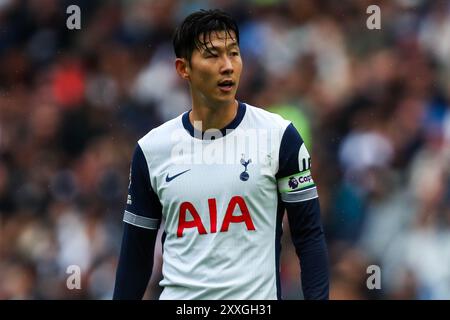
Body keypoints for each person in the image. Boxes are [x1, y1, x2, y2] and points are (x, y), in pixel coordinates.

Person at [113, 9, 329, 300]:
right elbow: (135, 258)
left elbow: (309, 237)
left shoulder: (279, 137)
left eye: (234, 53)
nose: (227, 66)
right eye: (212, 55)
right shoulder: (152, 150)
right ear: (183, 68)